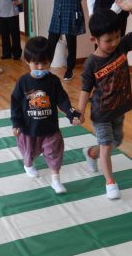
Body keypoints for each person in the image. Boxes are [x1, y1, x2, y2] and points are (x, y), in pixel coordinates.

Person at [78, 0, 132, 199]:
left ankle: (90, 153)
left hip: (119, 109)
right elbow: (85, 88)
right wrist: (80, 111)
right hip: (101, 113)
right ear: (94, 40)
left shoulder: (122, 47)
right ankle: (110, 182)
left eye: (117, 37)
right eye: (108, 40)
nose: (114, 43)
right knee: (107, 145)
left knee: (115, 142)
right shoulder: (91, 63)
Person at [10, 36, 81, 193]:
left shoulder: (53, 81)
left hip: (50, 128)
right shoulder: (23, 82)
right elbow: (15, 104)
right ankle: (28, 165)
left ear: (50, 61)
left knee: (54, 152)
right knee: (29, 153)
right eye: (36, 63)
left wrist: (72, 114)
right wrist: (16, 123)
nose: (41, 67)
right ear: (27, 61)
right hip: (29, 129)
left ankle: (55, 180)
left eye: (45, 63)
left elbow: (62, 100)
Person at [48, 0, 86, 82]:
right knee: (51, 41)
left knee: (71, 43)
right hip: (57, 11)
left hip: (70, 11)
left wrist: (71, 5)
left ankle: (69, 70)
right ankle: (45, 69)